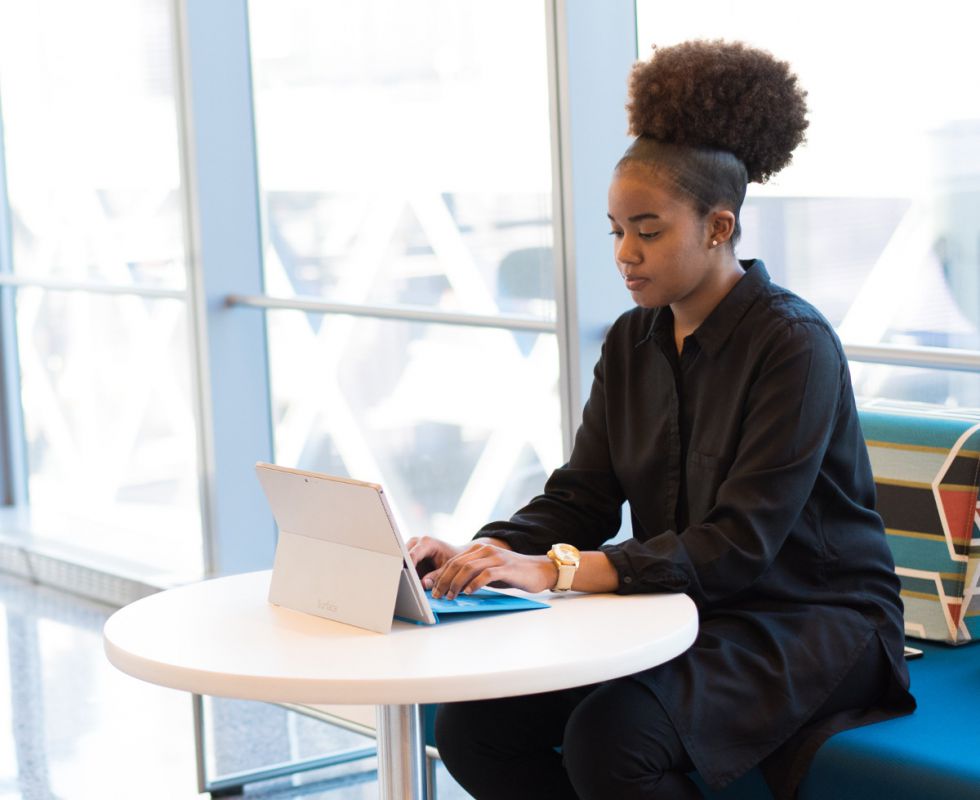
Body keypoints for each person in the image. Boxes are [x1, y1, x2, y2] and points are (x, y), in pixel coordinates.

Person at [407, 39, 915, 800]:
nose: (624, 253)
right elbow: (581, 494)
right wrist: (484, 551)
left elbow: (741, 545)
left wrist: (558, 569)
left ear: (717, 227)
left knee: (615, 738)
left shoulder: (795, 345)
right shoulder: (632, 339)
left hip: (816, 621)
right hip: (682, 607)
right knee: (475, 730)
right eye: (616, 230)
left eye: (648, 230)